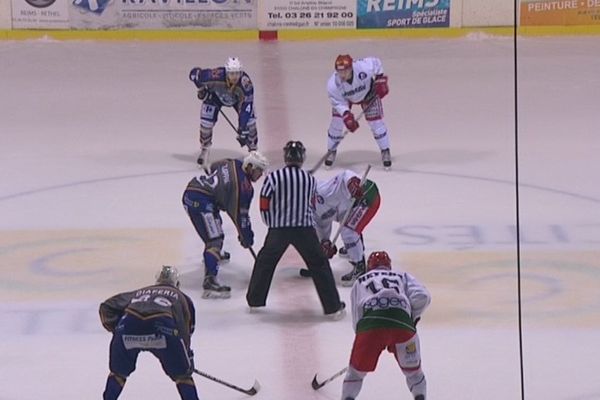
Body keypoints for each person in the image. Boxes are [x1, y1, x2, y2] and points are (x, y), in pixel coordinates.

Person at [246, 140, 345, 317]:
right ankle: (332, 306)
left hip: (278, 229)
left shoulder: (273, 178)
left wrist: (271, 222)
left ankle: (255, 300)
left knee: (264, 262)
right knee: (319, 264)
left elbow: (264, 203)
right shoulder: (309, 180)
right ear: (302, 157)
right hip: (304, 229)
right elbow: (313, 203)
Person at [99, 266, 199, 400]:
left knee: (118, 373)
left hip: (128, 327)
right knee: (182, 376)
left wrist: (118, 329)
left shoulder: (141, 292)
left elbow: (107, 306)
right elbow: (185, 328)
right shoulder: (182, 297)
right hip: (163, 329)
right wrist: (186, 359)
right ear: (177, 284)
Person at [341, 251, 430, 400]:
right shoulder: (402, 276)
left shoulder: (360, 280)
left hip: (371, 324)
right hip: (402, 323)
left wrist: (364, 341)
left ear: (369, 267)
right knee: (414, 373)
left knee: (355, 373)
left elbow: (358, 316)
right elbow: (423, 296)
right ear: (389, 266)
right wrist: (410, 318)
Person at [182, 151, 268, 298]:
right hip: (201, 202)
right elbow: (242, 218)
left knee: (215, 225)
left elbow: (214, 165)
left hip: (194, 190)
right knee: (215, 239)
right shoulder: (244, 188)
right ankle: (210, 278)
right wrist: (247, 238)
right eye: (259, 170)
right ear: (250, 167)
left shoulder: (233, 163)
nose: (260, 175)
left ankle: (213, 255)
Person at [310, 169, 381, 286]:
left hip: (367, 195)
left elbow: (344, 175)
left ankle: (359, 266)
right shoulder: (312, 212)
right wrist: (325, 243)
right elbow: (322, 227)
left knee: (348, 232)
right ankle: (356, 247)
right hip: (354, 206)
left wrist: (352, 182)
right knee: (350, 226)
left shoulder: (322, 190)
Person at [325, 54, 391, 169]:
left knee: (377, 124)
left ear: (351, 68)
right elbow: (338, 102)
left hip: (368, 94)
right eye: (340, 72)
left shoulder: (363, 67)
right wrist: (346, 115)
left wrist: (380, 79)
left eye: (345, 71)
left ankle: (385, 150)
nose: (342, 75)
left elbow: (376, 63)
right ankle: (331, 150)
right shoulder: (333, 84)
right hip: (346, 100)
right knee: (336, 124)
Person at [189, 57, 258, 166]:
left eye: (237, 73)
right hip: (215, 97)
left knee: (250, 121)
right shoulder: (214, 76)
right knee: (206, 123)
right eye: (232, 73)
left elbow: (247, 106)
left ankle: (253, 150)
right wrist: (202, 90)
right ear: (226, 72)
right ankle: (205, 149)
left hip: (237, 100)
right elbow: (194, 74)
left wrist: (242, 127)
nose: (235, 77)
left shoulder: (246, 83)